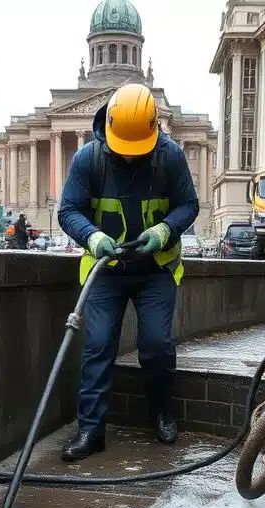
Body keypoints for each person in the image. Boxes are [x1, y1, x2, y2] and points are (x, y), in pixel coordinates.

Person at [57, 83, 200, 461]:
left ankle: (161, 412)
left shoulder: (170, 156)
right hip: (107, 270)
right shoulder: (89, 159)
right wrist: (93, 236)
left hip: (156, 269)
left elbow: (189, 204)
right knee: (98, 345)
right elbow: (68, 210)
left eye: (141, 151)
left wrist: (164, 230)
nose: (133, 158)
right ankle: (91, 431)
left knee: (156, 346)